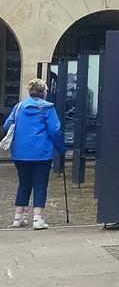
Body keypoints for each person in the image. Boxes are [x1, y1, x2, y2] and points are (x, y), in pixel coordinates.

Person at [4, 79, 64, 230]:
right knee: (40, 184)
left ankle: (18, 217)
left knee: (24, 183)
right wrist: (61, 148)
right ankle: (38, 219)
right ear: (43, 92)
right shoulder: (47, 108)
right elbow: (55, 130)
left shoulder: (19, 107)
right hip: (42, 153)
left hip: (20, 153)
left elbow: (7, 125)